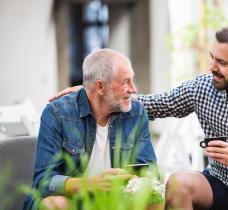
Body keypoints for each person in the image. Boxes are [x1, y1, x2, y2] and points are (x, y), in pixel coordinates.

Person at [51, 24, 228, 210]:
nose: (212, 67)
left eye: (222, 62)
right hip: (219, 183)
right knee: (178, 182)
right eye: (212, 58)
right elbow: (153, 105)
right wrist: (98, 93)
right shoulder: (203, 87)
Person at [23, 49, 157, 210]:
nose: (133, 89)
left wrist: (135, 185)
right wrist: (91, 185)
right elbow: (43, 181)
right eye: (125, 82)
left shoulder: (136, 112)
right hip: (71, 199)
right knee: (55, 205)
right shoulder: (57, 113)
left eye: (132, 80)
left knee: (154, 196)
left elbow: (150, 172)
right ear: (100, 87)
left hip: (117, 198)